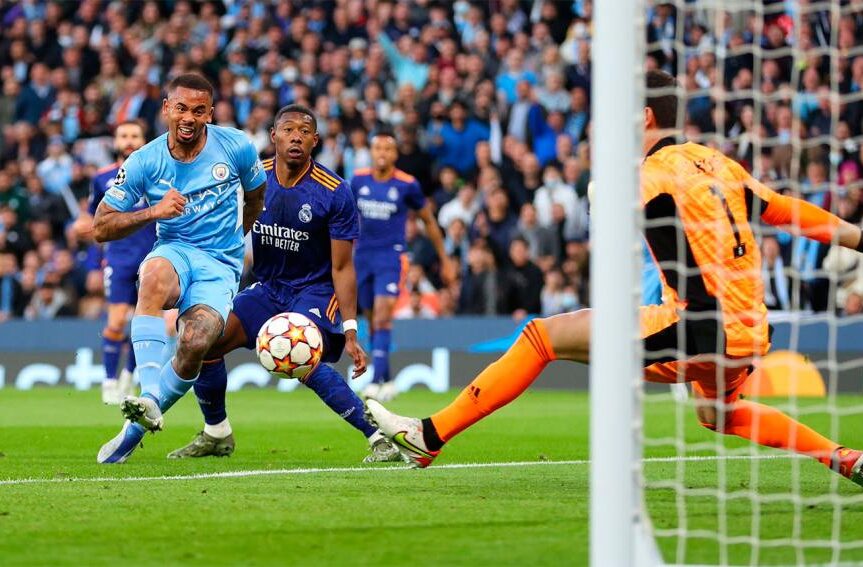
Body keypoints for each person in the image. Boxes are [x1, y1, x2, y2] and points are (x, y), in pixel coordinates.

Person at [367, 70, 863, 489]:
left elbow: (627, 219)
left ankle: (428, 437)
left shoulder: (653, 172)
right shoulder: (718, 163)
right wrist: (855, 237)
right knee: (720, 415)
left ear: (645, 116)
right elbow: (783, 210)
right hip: (751, 329)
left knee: (541, 338)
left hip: (697, 326)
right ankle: (842, 456)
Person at [166, 105, 400, 463]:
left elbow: (342, 267)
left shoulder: (335, 191)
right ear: (273, 136)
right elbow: (225, 231)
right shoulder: (251, 178)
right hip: (268, 287)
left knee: (301, 356)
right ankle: (217, 433)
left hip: (315, 290)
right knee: (204, 341)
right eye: (288, 129)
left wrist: (351, 330)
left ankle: (379, 437)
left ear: (315, 141)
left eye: (304, 131)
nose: (296, 136)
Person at [94, 73, 267, 463]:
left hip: (221, 264)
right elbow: (100, 227)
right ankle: (150, 395)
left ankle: (136, 425)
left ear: (210, 113)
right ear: (167, 109)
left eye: (199, 110)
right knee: (153, 276)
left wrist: (237, 239)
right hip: (174, 250)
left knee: (195, 342)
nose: (189, 117)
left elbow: (257, 196)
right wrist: (154, 211)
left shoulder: (237, 145)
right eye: (181, 108)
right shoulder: (144, 160)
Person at [74, 120, 176, 405]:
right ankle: (108, 382)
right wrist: (95, 264)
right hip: (118, 259)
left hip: (152, 259)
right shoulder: (102, 178)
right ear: (115, 142)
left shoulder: (158, 176)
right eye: (124, 136)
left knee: (144, 320)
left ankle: (128, 379)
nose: (129, 140)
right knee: (116, 321)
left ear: (144, 140)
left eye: (135, 135)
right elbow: (97, 225)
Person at [351, 129, 455, 402]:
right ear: (371, 153)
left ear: (395, 154)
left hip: (392, 255)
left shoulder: (407, 184)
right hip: (362, 256)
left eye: (388, 149)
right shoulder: (358, 180)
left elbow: (428, 221)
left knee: (384, 314)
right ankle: (389, 378)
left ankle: (374, 382)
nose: (382, 154)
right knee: (373, 320)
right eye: (378, 149)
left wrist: (444, 259)